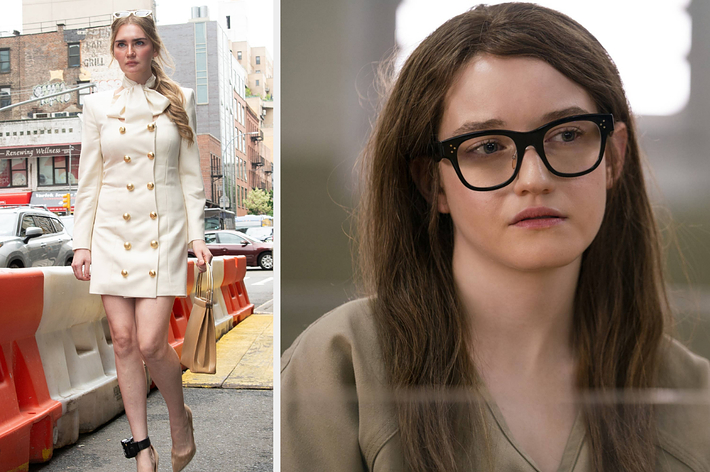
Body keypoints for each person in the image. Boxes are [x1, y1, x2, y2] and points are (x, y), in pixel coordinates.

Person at [281, 3, 710, 471]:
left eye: (567, 135)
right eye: (487, 146)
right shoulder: (341, 366)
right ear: (433, 182)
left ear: (613, 156)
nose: (534, 177)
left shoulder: (694, 398)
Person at [70, 10, 211, 472]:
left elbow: (190, 176)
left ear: (153, 46)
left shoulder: (179, 99)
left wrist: (197, 235)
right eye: (121, 45)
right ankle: (141, 448)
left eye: (138, 43)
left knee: (151, 343)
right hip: (110, 231)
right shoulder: (96, 107)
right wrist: (82, 243)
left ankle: (178, 419)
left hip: (162, 230)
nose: (130, 53)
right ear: (114, 52)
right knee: (125, 342)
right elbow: (88, 180)